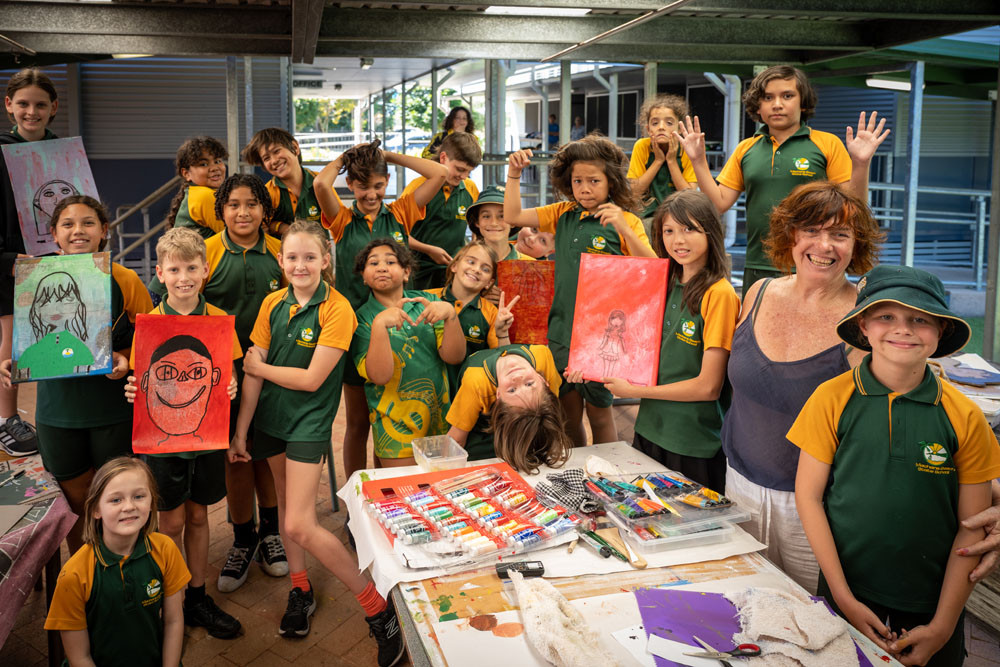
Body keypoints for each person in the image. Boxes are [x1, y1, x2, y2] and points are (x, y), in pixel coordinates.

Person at [791, 265, 1000, 666]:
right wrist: (843, 598)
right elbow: (809, 496)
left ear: (940, 331)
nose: (902, 328)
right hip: (846, 588)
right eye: (886, 316)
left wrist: (942, 625)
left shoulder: (965, 416)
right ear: (863, 326)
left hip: (933, 600)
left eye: (919, 319)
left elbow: (971, 531)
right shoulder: (830, 398)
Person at [230, 223, 405, 666]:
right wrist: (241, 431)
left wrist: (260, 368)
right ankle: (300, 588)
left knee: (299, 525)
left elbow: (309, 380)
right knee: (290, 508)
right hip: (269, 423)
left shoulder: (338, 309)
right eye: (292, 258)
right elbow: (251, 376)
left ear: (326, 261)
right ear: (282, 262)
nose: (300, 265)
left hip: (307, 424)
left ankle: (378, 610)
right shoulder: (273, 303)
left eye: (310, 257)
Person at [721, 181, 882, 592]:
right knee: (743, 603)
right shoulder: (756, 293)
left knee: (812, 619)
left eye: (840, 234)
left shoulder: (863, 322)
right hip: (737, 484)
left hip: (813, 506)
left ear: (856, 245)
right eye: (811, 230)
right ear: (790, 235)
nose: (823, 245)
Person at [151, 174, 289, 592]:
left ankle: (271, 533)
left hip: (271, 373)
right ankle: (243, 537)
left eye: (252, 204)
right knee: (235, 456)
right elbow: (168, 309)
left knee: (265, 454)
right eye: (233, 205)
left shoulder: (282, 254)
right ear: (220, 211)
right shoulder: (205, 251)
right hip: (214, 382)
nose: (243, 212)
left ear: (265, 211)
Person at [0, 196, 150, 554]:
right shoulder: (34, 276)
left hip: (111, 412)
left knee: (117, 495)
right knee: (74, 501)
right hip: (57, 415)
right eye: (68, 224)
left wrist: (126, 359)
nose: (78, 231)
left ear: (104, 231)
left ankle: (121, 566)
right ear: (53, 233)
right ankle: (84, 567)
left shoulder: (124, 278)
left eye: (88, 223)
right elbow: (28, 339)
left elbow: (150, 339)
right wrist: (14, 362)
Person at [676, 65, 889, 295]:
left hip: (814, 262)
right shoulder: (746, 148)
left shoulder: (827, 144)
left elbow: (853, 209)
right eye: (768, 97)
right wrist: (698, 160)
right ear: (758, 105)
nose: (777, 104)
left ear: (803, 102)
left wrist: (861, 164)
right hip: (758, 263)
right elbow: (718, 203)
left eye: (787, 96)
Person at [125, 227, 243, 638]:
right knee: (170, 521)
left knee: (198, 515)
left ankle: (196, 597)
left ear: (205, 270)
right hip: (163, 444)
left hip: (206, 439)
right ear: (159, 272)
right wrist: (132, 388)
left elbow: (228, 375)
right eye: (174, 269)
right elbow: (143, 380)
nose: (184, 277)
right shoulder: (150, 324)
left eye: (191, 267)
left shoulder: (218, 323)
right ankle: (167, 600)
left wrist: (231, 385)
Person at [504, 137, 655, 447]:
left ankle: (610, 469)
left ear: (611, 182)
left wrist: (625, 229)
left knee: (600, 414)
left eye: (594, 181)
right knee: (567, 414)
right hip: (561, 332)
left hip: (602, 338)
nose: (585, 188)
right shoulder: (562, 213)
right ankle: (579, 472)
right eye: (578, 181)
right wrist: (514, 175)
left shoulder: (627, 221)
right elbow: (513, 217)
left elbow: (653, 269)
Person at [314, 139, 447, 483]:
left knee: (386, 416)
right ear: (351, 185)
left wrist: (387, 156)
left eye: (377, 185)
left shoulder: (400, 212)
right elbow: (319, 184)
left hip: (399, 330)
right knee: (359, 421)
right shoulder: (342, 220)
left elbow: (439, 172)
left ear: (387, 182)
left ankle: (385, 488)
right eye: (361, 186)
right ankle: (358, 494)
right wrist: (347, 158)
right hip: (355, 330)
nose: (370, 194)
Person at [604, 190, 739, 492]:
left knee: (690, 531)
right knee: (646, 520)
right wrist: (589, 363)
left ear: (711, 231)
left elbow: (708, 387)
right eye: (669, 231)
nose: (678, 240)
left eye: (689, 228)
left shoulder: (719, 294)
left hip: (692, 441)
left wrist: (636, 390)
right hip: (649, 429)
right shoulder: (663, 282)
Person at [44, 457, 189, 667]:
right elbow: (79, 657)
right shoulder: (74, 575)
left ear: (151, 503)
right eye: (116, 500)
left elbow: (174, 621)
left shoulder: (165, 549)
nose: (129, 506)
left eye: (139, 496)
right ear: (95, 510)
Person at [352, 239, 465, 467]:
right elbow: (380, 376)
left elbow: (453, 357)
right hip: (393, 428)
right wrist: (379, 326)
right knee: (403, 493)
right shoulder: (361, 319)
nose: (382, 267)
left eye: (390, 262)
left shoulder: (429, 302)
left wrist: (451, 316)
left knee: (439, 489)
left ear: (406, 272)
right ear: (364, 277)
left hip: (439, 421)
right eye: (373, 263)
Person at [0, 67, 61, 456]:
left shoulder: (63, 153)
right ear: (9, 106)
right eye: (23, 103)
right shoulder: (0, 152)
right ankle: (7, 420)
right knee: (11, 347)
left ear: (53, 107)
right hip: (10, 262)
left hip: (51, 260)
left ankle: (50, 415)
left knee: (52, 337)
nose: (31, 112)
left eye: (40, 104)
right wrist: (7, 258)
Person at [446, 343, 570, 468]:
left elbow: (457, 440)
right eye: (529, 384)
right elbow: (457, 440)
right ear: (543, 380)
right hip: (482, 437)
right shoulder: (542, 355)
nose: (517, 377)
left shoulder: (476, 381)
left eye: (512, 390)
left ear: (498, 395)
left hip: (523, 431)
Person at [425, 240, 515, 390]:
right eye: (471, 261)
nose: (476, 269)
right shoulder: (426, 298)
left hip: (465, 395)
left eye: (485, 269)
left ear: (489, 283)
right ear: (454, 266)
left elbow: (504, 362)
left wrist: (503, 333)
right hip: (425, 394)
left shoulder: (492, 313)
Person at [404, 132, 482, 289]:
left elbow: (477, 226)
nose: (464, 176)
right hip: (418, 272)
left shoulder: (470, 188)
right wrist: (429, 250)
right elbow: (397, 233)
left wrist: (473, 246)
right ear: (443, 158)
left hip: (454, 272)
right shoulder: (418, 187)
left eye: (469, 171)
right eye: (459, 169)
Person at [627, 94, 697, 224]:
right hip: (647, 216)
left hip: (679, 215)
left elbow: (689, 196)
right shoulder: (642, 146)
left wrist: (671, 161)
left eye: (669, 123)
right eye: (655, 123)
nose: (661, 127)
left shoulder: (686, 150)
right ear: (648, 129)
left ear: (680, 128)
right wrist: (658, 161)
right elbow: (635, 192)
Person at [243, 127, 325, 236]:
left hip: (319, 251)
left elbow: (336, 218)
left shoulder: (319, 181)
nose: (274, 161)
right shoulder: (268, 193)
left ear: (295, 147)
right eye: (266, 158)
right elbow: (263, 225)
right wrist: (282, 227)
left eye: (276, 151)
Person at [165, 136, 228, 239]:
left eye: (217, 161)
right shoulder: (205, 195)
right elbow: (236, 238)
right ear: (186, 174)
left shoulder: (194, 192)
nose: (214, 168)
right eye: (204, 164)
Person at [466, 185, 531, 262]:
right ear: (477, 222)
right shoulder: (466, 262)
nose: (494, 223)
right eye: (486, 216)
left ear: (513, 222)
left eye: (502, 216)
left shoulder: (530, 265)